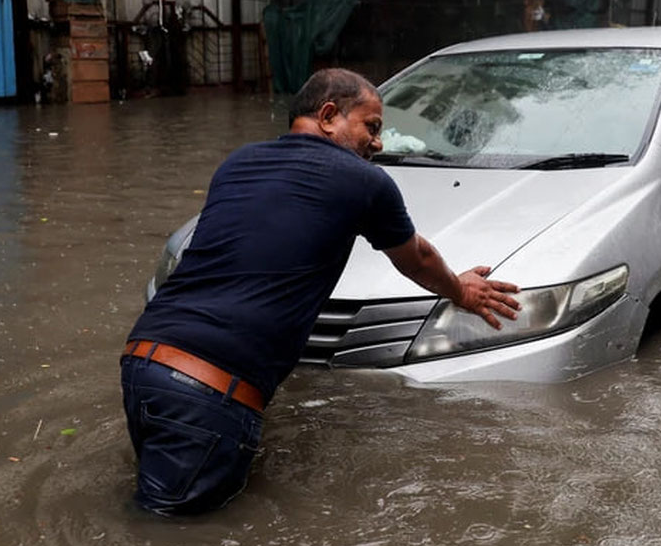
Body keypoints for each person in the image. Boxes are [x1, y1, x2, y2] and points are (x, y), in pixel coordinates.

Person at [120, 68, 521, 515]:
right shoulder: (363, 181)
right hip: (207, 393)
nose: (379, 143)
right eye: (371, 126)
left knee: (161, 509)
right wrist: (460, 291)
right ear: (329, 115)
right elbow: (418, 258)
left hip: (144, 362)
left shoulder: (237, 163)